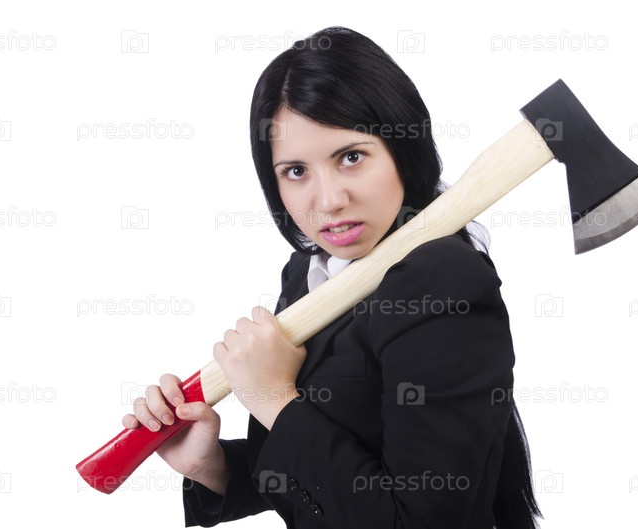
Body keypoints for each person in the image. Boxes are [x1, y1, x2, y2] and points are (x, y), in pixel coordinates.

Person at [122, 26, 542, 528]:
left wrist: (274, 399)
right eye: (296, 171)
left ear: (402, 150)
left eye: (351, 157)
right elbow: (332, 475)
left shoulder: (443, 281)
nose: (328, 201)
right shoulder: (309, 273)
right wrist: (211, 467)